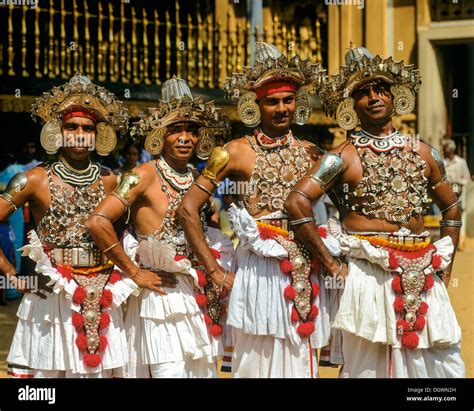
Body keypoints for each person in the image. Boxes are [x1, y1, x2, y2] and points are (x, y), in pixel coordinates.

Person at [284, 45, 465, 378]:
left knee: (438, 364)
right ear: (352, 106)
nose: (374, 97)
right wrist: (331, 263)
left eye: (381, 88)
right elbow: (296, 201)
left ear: (395, 97)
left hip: (422, 269)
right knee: (367, 367)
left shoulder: (425, 152)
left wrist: (448, 265)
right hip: (367, 274)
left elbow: (452, 207)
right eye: (363, 92)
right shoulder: (341, 157)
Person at [177, 42, 340, 378]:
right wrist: (216, 271)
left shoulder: (313, 152)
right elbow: (187, 209)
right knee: (254, 360)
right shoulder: (233, 152)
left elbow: (347, 206)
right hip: (257, 270)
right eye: (272, 101)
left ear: (298, 103)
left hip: (304, 269)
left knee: (301, 358)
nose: (281, 108)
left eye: (288, 99)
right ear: (256, 104)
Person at [86, 77, 233, 378]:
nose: (184, 138)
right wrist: (134, 272)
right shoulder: (143, 175)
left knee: (202, 372)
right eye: (175, 130)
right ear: (160, 135)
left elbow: (211, 228)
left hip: (196, 296)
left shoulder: (198, 178)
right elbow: (97, 221)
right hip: (158, 300)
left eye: (191, 131)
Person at [3, 73, 139, 378]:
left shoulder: (111, 180)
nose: (80, 134)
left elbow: (130, 233)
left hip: (104, 293)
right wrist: (12, 275)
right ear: (58, 131)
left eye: (88, 128)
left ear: (98, 135)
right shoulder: (34, 179)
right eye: (72, 126)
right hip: (53, 295)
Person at [442, 139, 471, 250]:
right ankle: (448, 242)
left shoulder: (461, 162)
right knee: (448, 217)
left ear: (452, 149)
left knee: (460, 216)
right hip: (447, 194)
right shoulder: (443, 163)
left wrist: (458, 182)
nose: (446, 150)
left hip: (460, 193)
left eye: (447, 148)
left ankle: (461, 241)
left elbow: (467, 179)